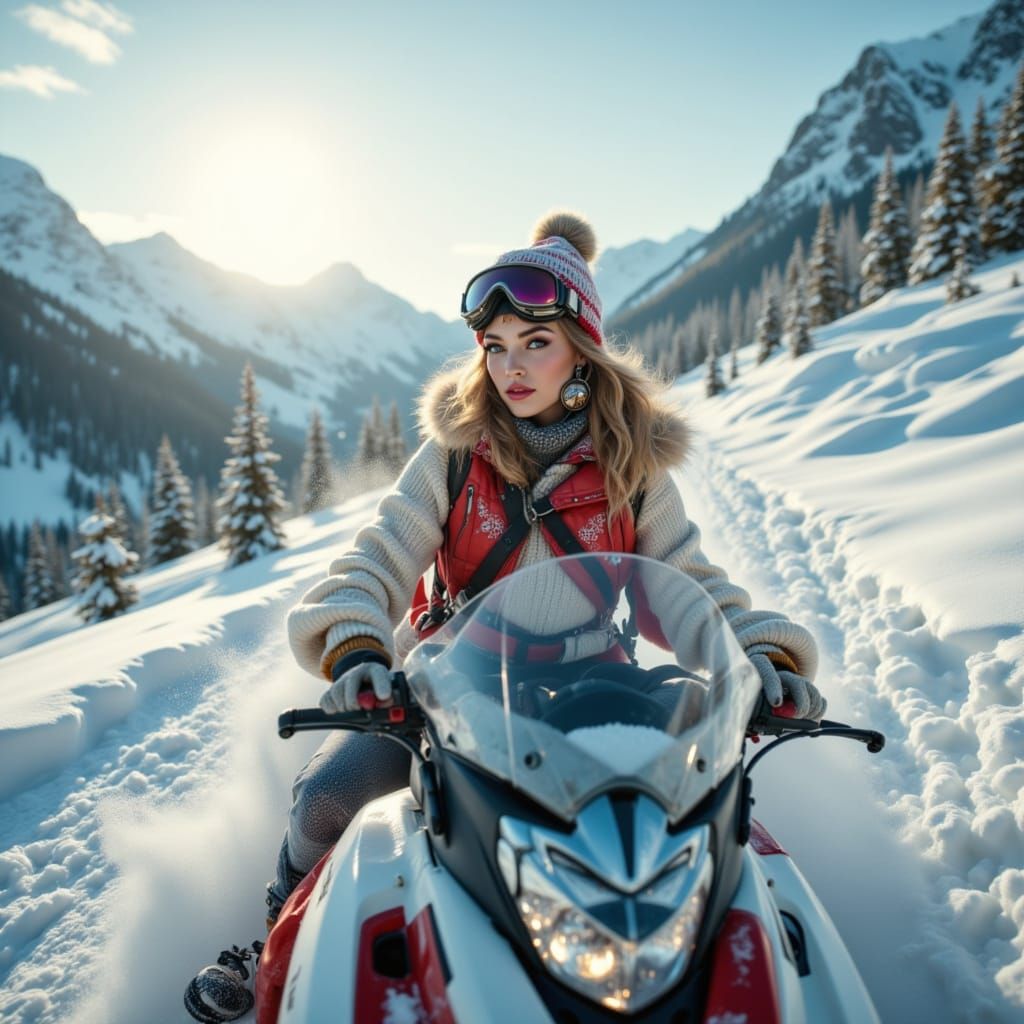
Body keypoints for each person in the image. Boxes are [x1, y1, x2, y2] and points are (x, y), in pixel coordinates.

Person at [185, 210, 824, 1022]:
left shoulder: (632, 462)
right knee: (328, 797)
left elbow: (688, 585)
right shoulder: (454, 452)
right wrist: (355, 648)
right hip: (455, 682)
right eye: (495, 347)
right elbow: (377, 556)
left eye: (535, 343)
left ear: (580, 350)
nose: (510, 367)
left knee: (691, 807)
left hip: (595, 681)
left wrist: (759, 654)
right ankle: (272, 934)